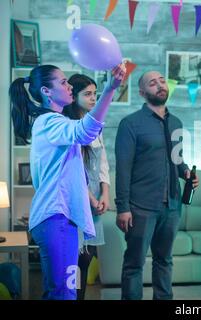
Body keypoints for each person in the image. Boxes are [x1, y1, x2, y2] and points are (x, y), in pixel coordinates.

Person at [9, 64, 125, 300]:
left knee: (64, 292)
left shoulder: (55, 122)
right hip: (55, 218)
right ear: (46, 91)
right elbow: (86, 131)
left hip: (61, 219)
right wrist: (111, 88)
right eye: (63, 82)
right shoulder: (49, 122)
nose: (69, 85)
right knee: (63, 294)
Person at [115, 71, 199, 300]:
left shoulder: (176, 122)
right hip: (141, 206)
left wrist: (186, 173)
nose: (160, 85)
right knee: (134, 263)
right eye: (153, 83)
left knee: (164, 261)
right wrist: (123, 207)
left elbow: (177, 159)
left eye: (162, 81)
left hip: (172, 205)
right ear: (143, 93)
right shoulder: (130, 124)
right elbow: (123, 169)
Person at [62, 74, 111, 300]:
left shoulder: (97, 125)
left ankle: (79, 296)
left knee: (87, 257)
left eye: (95, 94)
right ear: (74, 96)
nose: (93, 99)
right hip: (77, 197)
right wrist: (91, 198)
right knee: (74, 258)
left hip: (96, 198)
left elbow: (103, 164)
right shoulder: (71, 127)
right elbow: (74, 169)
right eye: (88, 94)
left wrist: (105, 194)